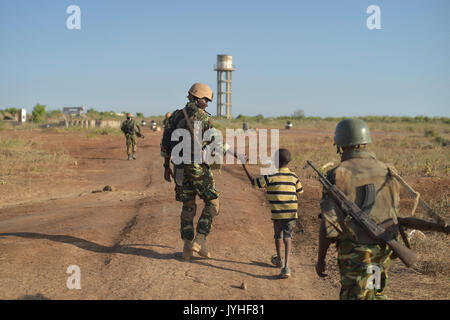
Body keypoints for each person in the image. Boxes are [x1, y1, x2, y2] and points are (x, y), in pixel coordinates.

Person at [316, 118, 401, 300]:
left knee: (354, 296)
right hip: (382, 249)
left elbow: (327, 223)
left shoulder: (337, 174)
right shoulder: (387, 170)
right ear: (365, 142)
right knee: (376, 293)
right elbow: (393, 211)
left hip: (354, 253)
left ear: (340, 145)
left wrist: (320, 258)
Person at [160, 82, 243, 261]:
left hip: (179, 168)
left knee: (188, 205)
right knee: (213, 202)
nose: (207, 104)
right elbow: (217, 143)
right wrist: (236, 154)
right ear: (198, 99)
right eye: (206, 101)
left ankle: (187, 249)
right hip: (197, 166)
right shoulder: (203, 118)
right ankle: (200, 239)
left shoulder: (174, 116)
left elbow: (166, 144)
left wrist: (166, 167)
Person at [242, 148, 303, 279]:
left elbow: (255, 182)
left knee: (278, 236)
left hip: (278, 213)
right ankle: (286, 267)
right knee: (288, 237)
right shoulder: (294, 176)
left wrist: (244, 166)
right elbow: (300, 191)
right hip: (291, 212)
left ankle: (279, 260)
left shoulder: (270, 175)